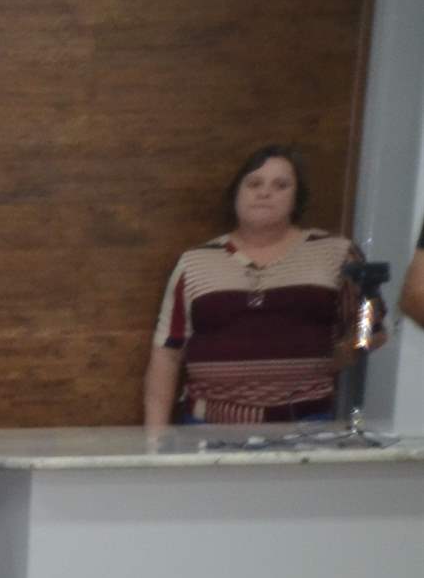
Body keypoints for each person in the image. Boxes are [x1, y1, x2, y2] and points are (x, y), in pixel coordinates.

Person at [144, 146, 370, 428]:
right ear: (236, 194)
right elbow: (167, 354)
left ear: (297, 197)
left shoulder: (337, 254)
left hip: (305, 429)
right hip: (208, 430)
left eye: (280, 185)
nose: (264, 193)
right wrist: (155, 441)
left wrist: (330, 360)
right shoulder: (195, 263)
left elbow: (371, 328)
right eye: (254, 184)